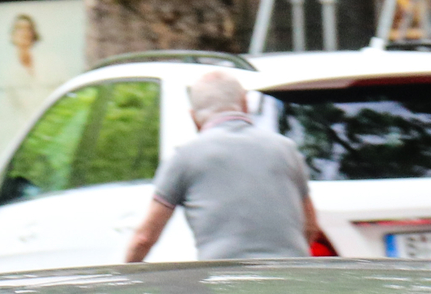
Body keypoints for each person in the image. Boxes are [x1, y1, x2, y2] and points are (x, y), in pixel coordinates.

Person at [123, 70, 320, 262]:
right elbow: (310, 226)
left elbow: (145, 238)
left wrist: (125, 280)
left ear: (193, 117)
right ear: (244, 105)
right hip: (288, 276)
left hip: (226, 280)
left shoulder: (184, 157)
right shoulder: (286, 149)